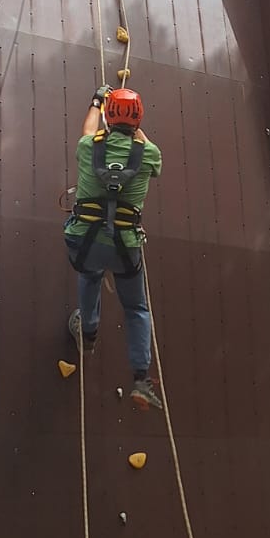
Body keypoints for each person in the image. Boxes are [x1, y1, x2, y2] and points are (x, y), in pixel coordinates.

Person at [64, 83, 163, 410]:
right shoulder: (149, 154)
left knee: (90, 274)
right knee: (136, 308)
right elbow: (146, 146)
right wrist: (135, 127)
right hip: (125, 245)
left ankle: (88, 333)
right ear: (138, 121)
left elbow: (88, 130)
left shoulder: (88, 146)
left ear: (108, 116)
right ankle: (141, 379)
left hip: (86, 239)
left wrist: (97, 101)